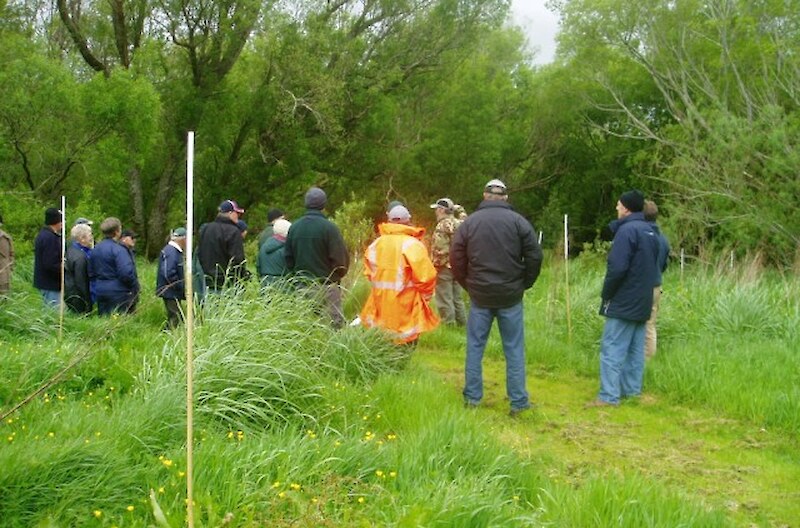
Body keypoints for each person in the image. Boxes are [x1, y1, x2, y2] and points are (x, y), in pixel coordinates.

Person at [451, 179, 543, 417]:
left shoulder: (469, 223)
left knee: (474, 347)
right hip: (510, 295)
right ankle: (519, 403)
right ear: (505, 197)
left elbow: (456, 257)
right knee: (513, 349)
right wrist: (524, 283)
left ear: (484, 196)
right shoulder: (519, 222)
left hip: (480, 295)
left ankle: (472, 399)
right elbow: (535, 256)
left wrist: (468, 284)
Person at [587, 190, 660, 408]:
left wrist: (607, 293)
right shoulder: (651, 232)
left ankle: (608, 396)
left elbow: (617, 267)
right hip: (643, 299)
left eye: (619, 205)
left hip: (624, 299)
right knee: (636, 349)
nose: (617, 209)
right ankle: (632, 391)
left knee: (612, 347)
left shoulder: (626, 232)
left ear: (627, 208)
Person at [360, 205, 439, 344]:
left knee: (382, 343)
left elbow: (369, 273)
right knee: (404, 345)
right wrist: (425, 298)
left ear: (389, 221)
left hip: (379, 304)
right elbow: (426, 278)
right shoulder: (412, 244)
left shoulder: (376, 244)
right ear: (408, 221)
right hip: (406, 307)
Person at [284, 187, 349, 328]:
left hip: (303, 286)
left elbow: (288, 258)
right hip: (328, 286)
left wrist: (297, 277)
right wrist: (336, 277)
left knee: (307, 327)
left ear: (306, 203)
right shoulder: (330, 228)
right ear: (323, 205)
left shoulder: (294, 228)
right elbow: (341, 261)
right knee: (334, 327)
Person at [197, 199, 251, 292]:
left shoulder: (206, 229)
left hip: (207, 281)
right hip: (227, 283)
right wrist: (242, 276)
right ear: (230, 213)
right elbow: (237, 259)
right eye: (237, 213)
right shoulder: (233, 231)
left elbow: (200, 253)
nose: (238, 216)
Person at [90, 217, 139, 315]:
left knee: (104, 320)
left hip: (100, 289)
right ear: (117, 232)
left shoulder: (95, 249)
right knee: (121, 321)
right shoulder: (119, 250)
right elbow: (126, 273)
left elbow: (91, 271)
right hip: (118, 292)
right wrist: (134, 287)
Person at [430, 197, 467, 326]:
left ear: (441, 210)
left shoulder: (442, 225)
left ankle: (449, 325)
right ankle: (462, 324)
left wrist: (436, 265)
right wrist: (460, 209)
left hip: (445, 266)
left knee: (444, 297)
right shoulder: (461, 224)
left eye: (436, 209)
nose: (435, 212)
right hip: (459, 266)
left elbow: (440, 249)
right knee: (457, 298)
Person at [643, 199, 670, 360]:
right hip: (656, 285)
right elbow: (664, 264)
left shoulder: (642, 236)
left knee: (634, 324)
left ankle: (635, 364)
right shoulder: (663, 239)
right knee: (650, 326)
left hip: (642, 286)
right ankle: (648, 362)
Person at [156, 227, 187, 329]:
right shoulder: (171, 252)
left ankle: (169, 334)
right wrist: (178, 286)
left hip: (171, 290)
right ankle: (168, 335)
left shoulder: (173, 251)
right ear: (183, 239)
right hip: (170, 290)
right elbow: (167, 272)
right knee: (175, 316)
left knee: (175, 315)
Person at [33, 207, 64, 308]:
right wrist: (63, 268)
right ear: (57, 222)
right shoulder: (49, 238)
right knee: (53, 312)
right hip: (50, 283)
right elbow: (50, 263)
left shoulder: (43, 235)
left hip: (45, 282)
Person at [64, 223, 94, 314]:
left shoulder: (71, 249)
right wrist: (88, 302)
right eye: (90, 235)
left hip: (70, 292)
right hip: (78, 299)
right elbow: (81, 282)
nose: (92, 238)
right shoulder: (80, 257)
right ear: (82, 239)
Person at [256, 218, 291, 287]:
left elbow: (258, 266)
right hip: (283, 285)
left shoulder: (264, 246)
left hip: (265, 283)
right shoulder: (286, 248)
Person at [118, 229, 140, 311]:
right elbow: (125, 273)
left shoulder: (130, 251)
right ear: (124, 238)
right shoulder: (121, 251)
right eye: (132, 237)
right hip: (125, 291)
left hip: (132, 291)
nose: (134, 240)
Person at [0, 213, 14, 296]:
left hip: (3, 272)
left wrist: (9, 268)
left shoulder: (5, 238)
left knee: (3, 296)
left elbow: (11, 255)